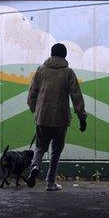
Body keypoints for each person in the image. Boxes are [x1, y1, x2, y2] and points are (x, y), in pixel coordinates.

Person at [24, 43, 87, 191]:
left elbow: (32, 93)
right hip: (61, 118)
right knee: (56, 151)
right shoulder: (68, 72)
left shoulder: (40, 70)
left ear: (51, 54)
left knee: (40, 147)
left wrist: (35, 109)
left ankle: (35, 167)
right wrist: (82, 117)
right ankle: (50, 182)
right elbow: (76, 96)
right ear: (65, 56)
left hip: (43, 117)